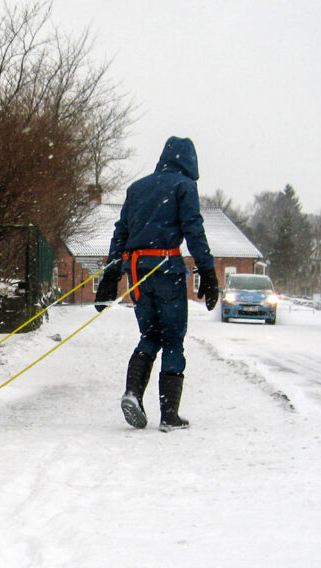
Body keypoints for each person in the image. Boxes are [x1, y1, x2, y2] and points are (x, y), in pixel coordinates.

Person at [94, 136, 219, 432]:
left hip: (137, 272)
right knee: (173, 340)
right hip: (166, 269)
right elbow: (193, 229)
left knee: (149, 336)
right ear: (190, 161)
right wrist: (208, 271)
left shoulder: (137, 188)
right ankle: (169, 415)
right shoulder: (184, 186)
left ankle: (133, 394)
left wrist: (111, 276)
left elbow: (120, 232)